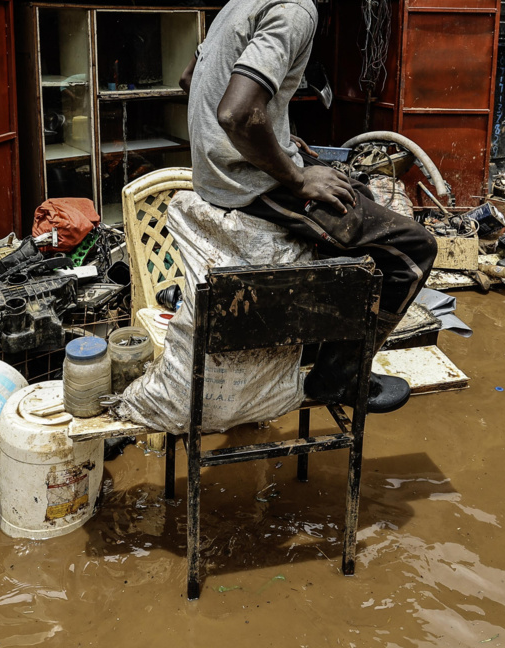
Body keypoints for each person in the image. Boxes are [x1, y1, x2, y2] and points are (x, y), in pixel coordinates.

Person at [179, 0, 437, 413]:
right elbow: (238, 113)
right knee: (414, 249)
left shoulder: (239, 3)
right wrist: (297, 178)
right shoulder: (296, 9)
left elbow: (190, 80)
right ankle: (338, 378)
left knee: (359, 194)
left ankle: (324, 340)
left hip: (218, 174)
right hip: (248, 184)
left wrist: (278, 139)